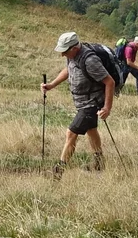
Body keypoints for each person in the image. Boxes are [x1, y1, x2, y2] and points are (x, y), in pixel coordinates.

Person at [42, 31, 115, 178]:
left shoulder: (90, 60)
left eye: (64, 51)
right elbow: (69, 70)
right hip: (82, 102)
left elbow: (110, 82)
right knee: (91, 130)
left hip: (91, 103)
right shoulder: (73, 56)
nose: (62, 55)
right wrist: (52, 85)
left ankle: (58, 172)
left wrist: (107, 107)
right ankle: (99, 164)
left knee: (71, 133)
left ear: (74, 48)